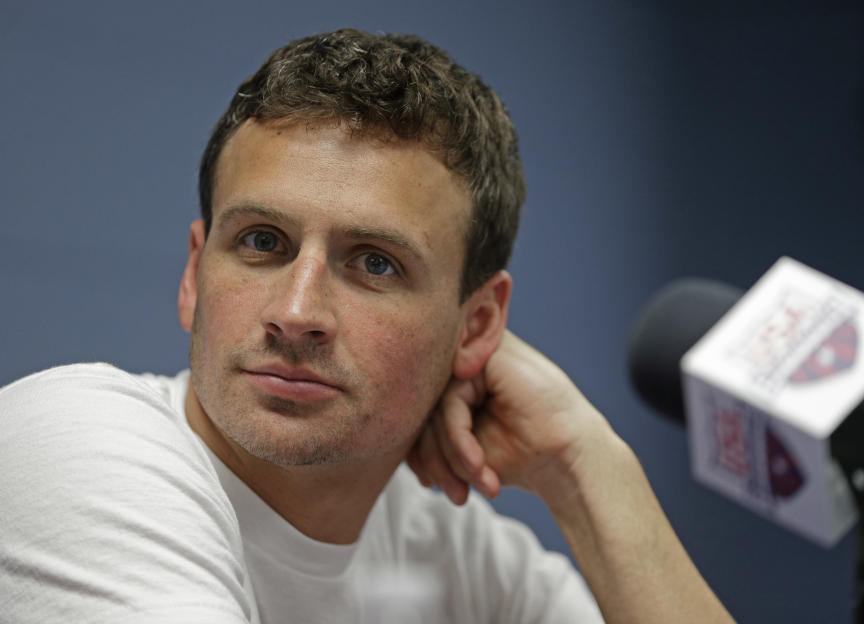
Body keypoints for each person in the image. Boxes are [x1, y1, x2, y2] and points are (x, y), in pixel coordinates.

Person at [0, 29, 732, 623]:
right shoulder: (75, 445)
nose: (296, 314)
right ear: (195, 274)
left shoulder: (454, 559)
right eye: (262, 243)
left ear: (476, 327)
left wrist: (581, 468)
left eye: (374, 264)